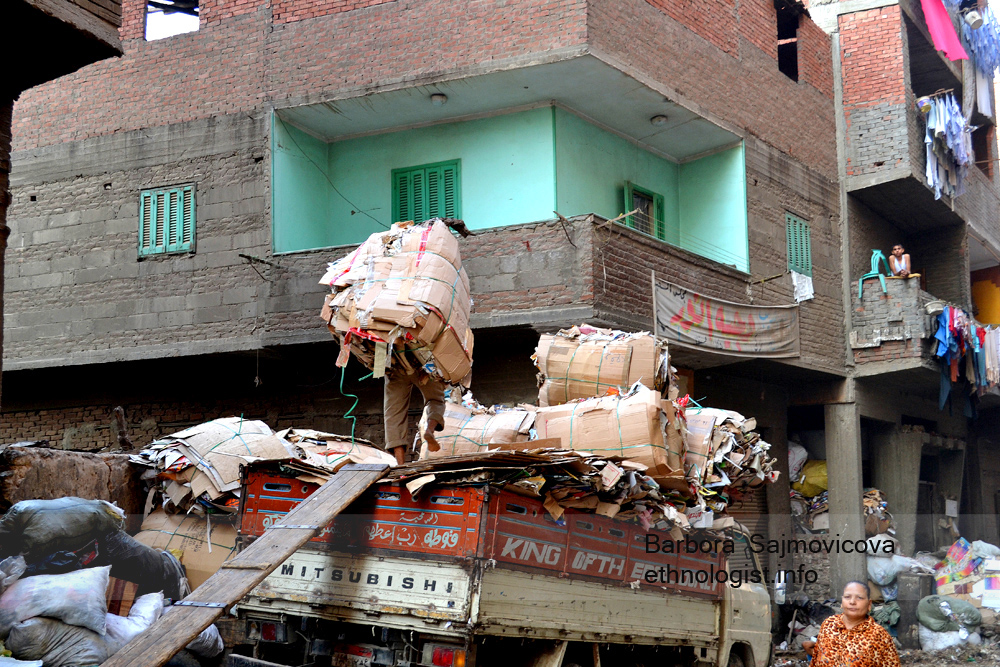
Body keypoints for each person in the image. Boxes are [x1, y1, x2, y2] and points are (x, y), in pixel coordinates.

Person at [804, 581, 900, 667]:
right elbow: (816, 661)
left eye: (859, 598)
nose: (852, 602)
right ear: (842, 602)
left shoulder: (880, 636)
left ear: (869, 604)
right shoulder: (829, 625)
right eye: (847, 597)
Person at [384, 363, 446, 465]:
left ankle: (400, 466)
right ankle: (429, 430)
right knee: (436, 400)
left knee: (394, 413)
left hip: (395, 366)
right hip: (422, 362)